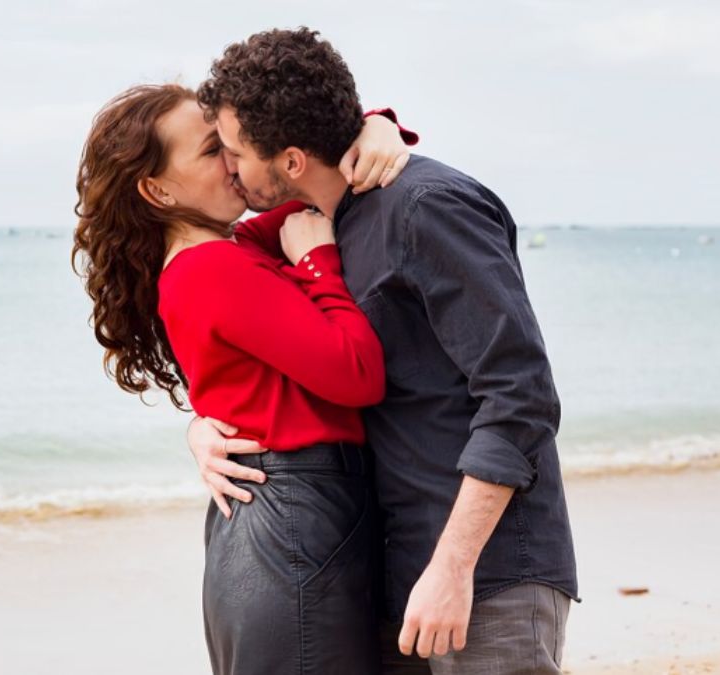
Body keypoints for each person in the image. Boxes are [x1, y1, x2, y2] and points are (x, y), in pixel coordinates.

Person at [191, 28, 579, 674]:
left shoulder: (426, 206)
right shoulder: (321, 231)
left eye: (234, 150)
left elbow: (521, 393)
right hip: (398, 579)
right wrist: (202, 426)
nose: (228, 166)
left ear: (289, 160)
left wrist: (454, 565)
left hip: (490, 576)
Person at [71, 84, 416, 673]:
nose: (235, 159)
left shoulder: (232, 248)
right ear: (156, 190)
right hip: (294, 526)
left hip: (292, 524)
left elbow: (317, 181)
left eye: (230, 141)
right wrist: (317, 264)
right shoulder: (210, 267)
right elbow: (357, 376)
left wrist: (374, 124)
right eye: (212, 151)